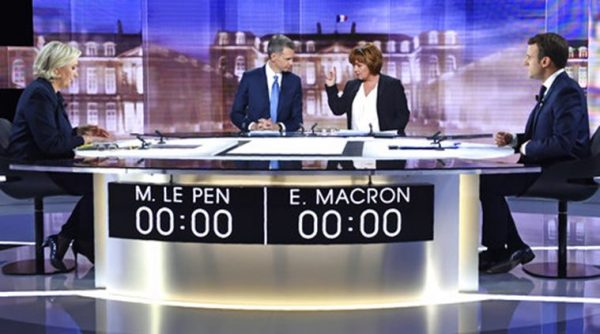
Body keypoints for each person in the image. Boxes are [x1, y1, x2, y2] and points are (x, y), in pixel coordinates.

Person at [479, 32, 590, 274]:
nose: (524, 62)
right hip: (551, 165)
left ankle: (502, 250)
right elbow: (546, 133)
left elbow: (563, 143)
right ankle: (513, 247)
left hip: (563, 171)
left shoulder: (566, 91)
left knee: (488, 183)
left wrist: (525, 147)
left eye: (529, 57)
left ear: (545, 61)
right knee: (487, 180)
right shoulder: (554, 89)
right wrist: (516, 139)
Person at [7, 41, 111, 269]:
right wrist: (84, 141)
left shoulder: (49, 93)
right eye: (73, 67)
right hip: (31, 170)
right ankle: (77, 240)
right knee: (99, 183)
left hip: (45, 163)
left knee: (100, 180)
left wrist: (80, 131)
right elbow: (51, 145)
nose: (76, 73)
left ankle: (68, 238)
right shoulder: (39, 95)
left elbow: (54, 136)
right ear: (56, 69)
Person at [324, 43, 410, 135]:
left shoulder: (392, 85)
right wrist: (331, 86)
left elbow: (403, 116)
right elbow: (338, 109)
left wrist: (387, 135)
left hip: (383, 143)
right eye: (354, 65)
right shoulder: (351, 86)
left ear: (371, 64)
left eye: (359, 65)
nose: (355, 69)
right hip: (355, 142)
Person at [230, 34, 303, 132]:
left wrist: (278, 127)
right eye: (288, 59)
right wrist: (253, 126)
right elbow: (236, 114)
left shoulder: (294, 82)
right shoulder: (250, 78)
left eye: (292, 59)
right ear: (273, 57)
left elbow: (297, 120)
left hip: (284, 143)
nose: (291, 63)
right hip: (255, 142)